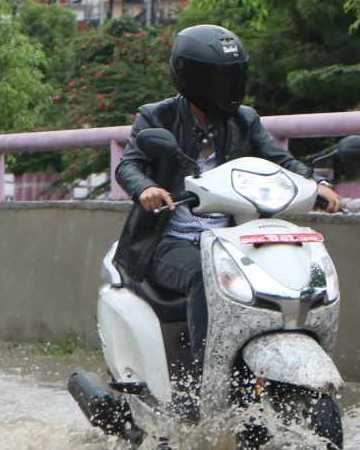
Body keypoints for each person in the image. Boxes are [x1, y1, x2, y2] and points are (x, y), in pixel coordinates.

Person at [113, 24, 342, 372]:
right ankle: (205, 373)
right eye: (219, 80)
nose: (229, 88)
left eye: (234, 77)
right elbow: (129, 165)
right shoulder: (155, 116)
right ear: (191, 78)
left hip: (233, 240)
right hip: (170, 240)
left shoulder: (244, 119)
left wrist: (315, 182)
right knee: (204, 278)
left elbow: (279, 159)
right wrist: (146, 189)